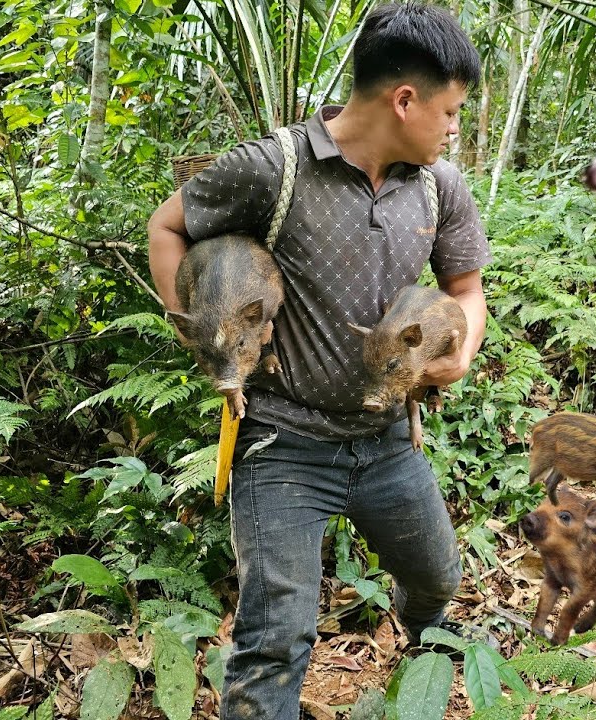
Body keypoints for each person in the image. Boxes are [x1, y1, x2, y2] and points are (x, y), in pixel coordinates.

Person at [146, 4, 492, 718]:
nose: (454, 128)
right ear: (405, 101)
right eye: (451, 112)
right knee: (275, 640)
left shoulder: (439, 185)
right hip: (282, 444)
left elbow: (467, 288)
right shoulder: (271, 169)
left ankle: (424, 638)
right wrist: (205, 335)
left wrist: (462, 353)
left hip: (387, 440)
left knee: (438, 579)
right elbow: (166, 226)